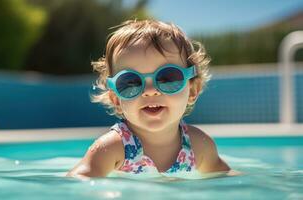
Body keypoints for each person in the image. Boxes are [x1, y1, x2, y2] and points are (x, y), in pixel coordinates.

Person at [67, 19, 231, 178]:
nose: (150, 91)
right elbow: (77, 183)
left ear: (193, 90)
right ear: (116, 99)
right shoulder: (112, 148)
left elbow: (228, 181)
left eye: (167, 78)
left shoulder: (199, 145)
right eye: (131, 82)